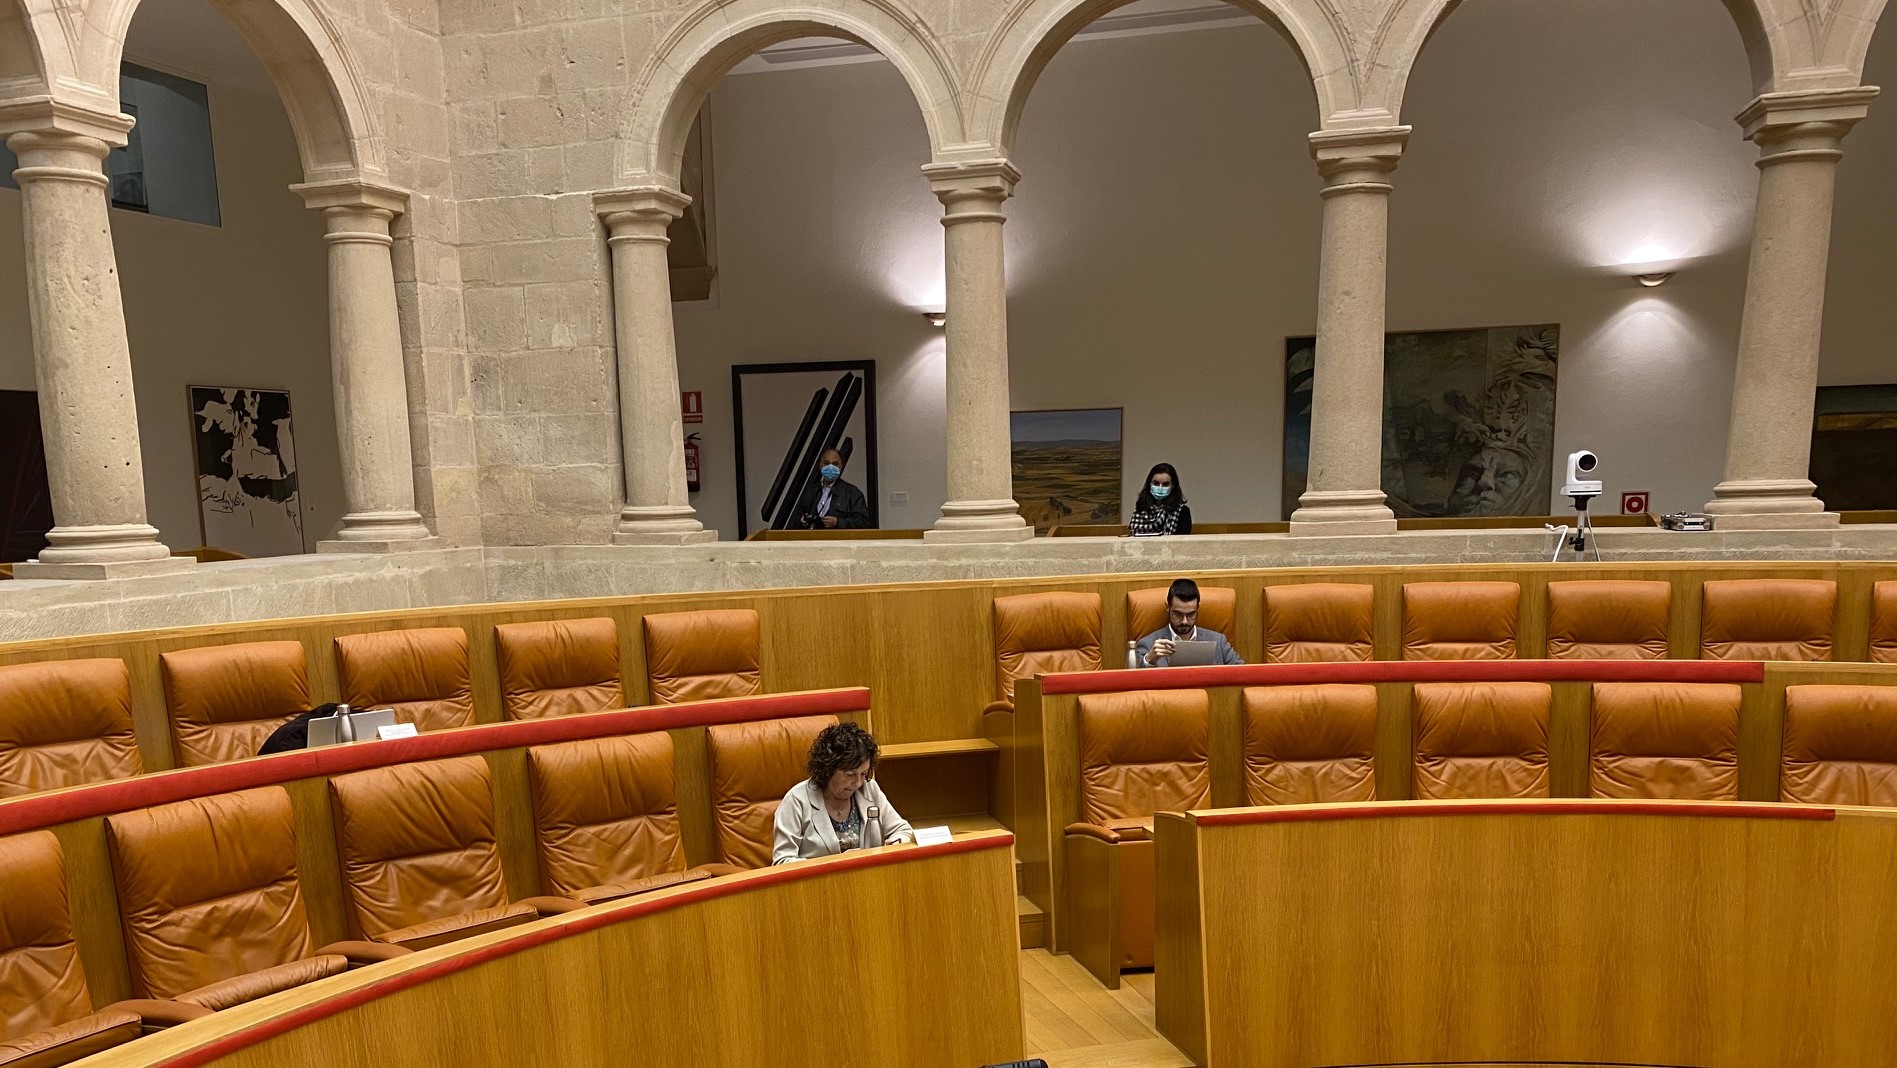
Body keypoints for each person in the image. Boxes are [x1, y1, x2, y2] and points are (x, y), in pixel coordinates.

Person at [772, 721, 913, 863]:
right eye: (850, 775)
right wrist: (839, 862)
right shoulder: (796, 800)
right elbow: (782, 861)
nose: (858, 783)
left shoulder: (869, 789)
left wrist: (890, 846)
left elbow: (903, 831)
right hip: (822, 877)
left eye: (863, 774)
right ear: (828, 769)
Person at [1135, 578, 1243, 667]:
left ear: (1197, 608)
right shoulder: (1148, 644)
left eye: (1191, 614)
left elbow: (1242, 674)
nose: (1184, 621)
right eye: (1178, 614)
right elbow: (1135, 680)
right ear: (1168, 607)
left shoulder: (1219, 641)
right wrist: (1149, 660)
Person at [793, 447, 871, 529]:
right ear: (820, 465)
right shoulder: (810, 491)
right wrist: (801, 520)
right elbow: (795, 518)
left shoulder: (852, 493)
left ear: (841, 466)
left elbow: (864, 522)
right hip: (812, 536)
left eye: (835, 464)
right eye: (826, 463)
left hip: (839, 536)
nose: (830, 467)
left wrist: (838, 522)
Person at [1129, 463, 1192, 535]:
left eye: (1165, 484)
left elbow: (1183, 540)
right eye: (1156, 483)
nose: (1160, 487)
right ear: (1149, 484)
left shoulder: (1182, 511)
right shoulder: (1140, 509)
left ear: (1172, 486)